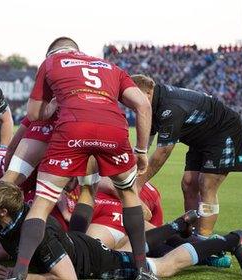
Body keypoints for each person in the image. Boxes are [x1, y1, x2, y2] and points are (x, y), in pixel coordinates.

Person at [10, 37, 153, 279]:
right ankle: (142, 270)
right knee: (128, 195)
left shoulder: (51, 62)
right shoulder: (111, 67)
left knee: (42, 203)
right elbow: (142, 105)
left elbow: (34, 113)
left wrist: (54, 106)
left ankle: (19, 272)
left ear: (52, 53)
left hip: (72, 129)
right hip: (113, 130)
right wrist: (141, 150)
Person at [0, 182, 242, 279]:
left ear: (4, 211)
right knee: (131, 250)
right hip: (83, 247)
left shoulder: (38, 236)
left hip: (98, 261)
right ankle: (178, 226)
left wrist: (22, 275)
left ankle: (230, 239)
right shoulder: (10, 222)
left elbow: (67, 279)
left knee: (164, 266)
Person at [131, 74, 242, 238]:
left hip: (223, 130)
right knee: (188, 183)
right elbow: (143, 145)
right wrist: (131, 171)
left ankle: (203, 241)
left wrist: (137, 184)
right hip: (202, 136)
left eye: (134, 98)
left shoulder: (170, 107)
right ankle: (191, 235)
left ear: (148, 93)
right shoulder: (149, 106)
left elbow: (163, 152)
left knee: (206, 184)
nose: (131, 104)